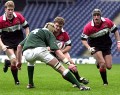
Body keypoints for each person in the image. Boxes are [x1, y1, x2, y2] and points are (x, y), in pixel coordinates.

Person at [16, 22, 90, 91]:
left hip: (27, 53)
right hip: (40, 51)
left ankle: (30, 84)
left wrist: (19, 62)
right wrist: (68, 63)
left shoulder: (33, 32)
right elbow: (57, 51)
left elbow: (19, 46)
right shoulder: (49, 33)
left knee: (31, 62)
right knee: (61, 68)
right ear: (52, 30)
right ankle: (80, 86)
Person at [81, 8, 120, 85]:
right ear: (92, 16)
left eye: (98, 15)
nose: (96, 17)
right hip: (95, 46)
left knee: (109, 66)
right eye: (94, 15)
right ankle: (105, 83)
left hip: (106, 45)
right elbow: (83, 39)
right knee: (102, 64)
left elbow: (115, 31)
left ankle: (98, 62)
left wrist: (118, 42)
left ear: (100, 16)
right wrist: (89, 48)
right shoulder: (88, 27)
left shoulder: (107, 22)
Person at [53, 16, 89, 86]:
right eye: (57, 26)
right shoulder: (49, 31)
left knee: (72, 64)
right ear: (54, 24)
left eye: (60, 26)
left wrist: (61, 52)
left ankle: (78, 78)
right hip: (51, 53)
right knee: (62, 71)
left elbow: (69, 46)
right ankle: (74, 82)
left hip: (62, 51)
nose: (58, 28)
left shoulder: (64, 34)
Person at [0, 0, 30, 85]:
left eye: (12, 9)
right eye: (8, 9)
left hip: (18, 40)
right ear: (5, 9)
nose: (10, 11)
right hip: (7, 41)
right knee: (14, 61)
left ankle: (7, 63)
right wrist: (2, 45)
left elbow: (27, 27)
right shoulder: (1, 21)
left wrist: (27, 37)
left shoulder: (19, 16)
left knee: (17, 62)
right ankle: (16, 80)